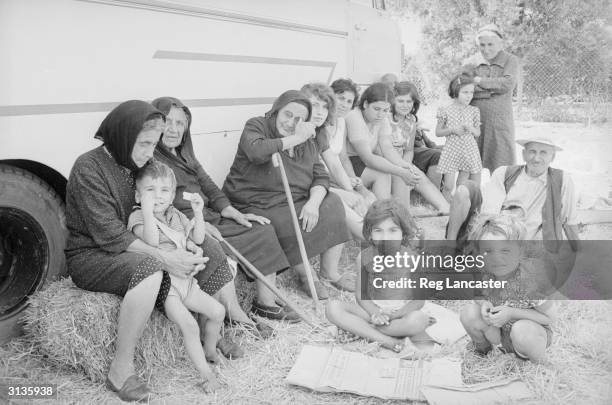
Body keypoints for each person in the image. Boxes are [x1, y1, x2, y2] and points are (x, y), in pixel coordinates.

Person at [65, 100, 209, 401]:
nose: (148, 152)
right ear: (121, 135)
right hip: (93, 254)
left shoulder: (135, 164)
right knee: (151, 269)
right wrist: (168, 258)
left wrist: (186, 243)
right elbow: (110, 234)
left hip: (132, 242)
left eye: (152, 144)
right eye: (143, 144)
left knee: (205, 250)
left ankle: (213, 329)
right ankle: (121, 369)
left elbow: (156, 208)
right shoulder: (88, 168)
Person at [151, 97, 297, 326]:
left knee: (261, 229)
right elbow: (161, 206)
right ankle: (235, 316)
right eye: (167, 122)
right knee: (217, 247)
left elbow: (208, 184)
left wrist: (231, 210)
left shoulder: (185, 154)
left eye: (180, 124)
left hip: (209, 215)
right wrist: (194, 222)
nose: (173, 129)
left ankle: (265, 303)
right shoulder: (153, 161)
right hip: (187, 223)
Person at [223, 90, 351, 302]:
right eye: (287, 115)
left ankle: (329, 271)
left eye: (299, 119)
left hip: (292, 198)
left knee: (333, 203)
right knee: (287, 219)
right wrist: (296, 137)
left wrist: (313, 202)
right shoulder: (257, 125)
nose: (291, 122)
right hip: (254, 202)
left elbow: (320, 176)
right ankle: (305, 275)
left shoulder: (307, 139)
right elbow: (256, 152)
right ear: (276, 111)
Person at [127, 161, 223, 393]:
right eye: (150, 191)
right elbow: (150, 240)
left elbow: (198, 239)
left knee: (218, 311)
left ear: (172, 196)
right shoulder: (138, 217)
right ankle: (206, 374)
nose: (157, 196)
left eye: (164, 191)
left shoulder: (176, 215)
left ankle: (209, 349)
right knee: (189, 325)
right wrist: (148, 212)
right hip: (165, 285)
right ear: (138, 196)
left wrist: (198, 214)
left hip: (186, 281)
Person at [326, 199, 434, 352]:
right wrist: (375, 314)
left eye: (393, 230)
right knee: (333, 308)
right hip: (371, 313)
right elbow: (361, 296)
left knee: (419, 320)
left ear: (403, 232)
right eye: (378, 230)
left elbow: (418, 302)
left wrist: (393, 316)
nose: (386, 237)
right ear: (370, 233)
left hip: (400, 315)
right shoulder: (363, 258)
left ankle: (362, 330)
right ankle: (387, 341)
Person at [446, 135, 579, 245]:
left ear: (552, 157)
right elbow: (490, 212)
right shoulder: (504, 173)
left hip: (528, 238)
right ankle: (449, 246)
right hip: (499, 229)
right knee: (464, 190)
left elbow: (569, 220)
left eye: (543, 153)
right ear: (523, 154)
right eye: (532, 151)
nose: (536, 158)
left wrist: (577, 249)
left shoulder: (562, 180)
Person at [460, 214, 556, 363]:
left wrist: (512, 313)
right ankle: (483, 351)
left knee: (521, 330)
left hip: (529, 333)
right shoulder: (483, 272)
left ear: (520, 251)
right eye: (488, 251)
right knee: (468, 313)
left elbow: (550, 318)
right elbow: (477, 294)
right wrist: (483, 304)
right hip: (499, 331)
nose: (496, 258)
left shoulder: (530, 281)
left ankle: (538, 364)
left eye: (505, 250)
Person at [344, 83, 449, 212]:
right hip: (352, 162)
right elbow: (368, 158)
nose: (381, 114)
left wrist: (404, 166)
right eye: (376, 109)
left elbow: (387, 148)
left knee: (406, 170)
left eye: (385, 110)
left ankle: (436, 211)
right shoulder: (355, 117)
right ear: (365, 104)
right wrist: (399, 171)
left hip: (369, 160)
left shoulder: (382, 118)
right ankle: (390, 216)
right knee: (393, 174)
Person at [301, 82, 375, 246]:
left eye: (325, 107)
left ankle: (378, 239)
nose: (320, 112)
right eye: (315, 106)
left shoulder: (318, 132)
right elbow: (301, 182)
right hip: (301, 193)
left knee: (357, 199)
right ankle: (378, 244)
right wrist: (342, 193)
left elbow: (335, 164)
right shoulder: (297, 134)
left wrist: (351, 191)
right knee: (337, 201)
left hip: (319, 186)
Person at [463, 24, 520, 172]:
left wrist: (479, 81)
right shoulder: (470, 62)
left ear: (500, 44)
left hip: (499, 120)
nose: (486, 49)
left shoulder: (510, 60)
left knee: (501, 163)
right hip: (474, 119)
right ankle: (471, 193)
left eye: (490, 44)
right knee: (471, 165)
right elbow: (463, 88)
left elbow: (507, 84)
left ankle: (502, 193)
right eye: (482, 45)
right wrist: (492, 91)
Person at [435, 73, 482, 197]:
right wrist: (452, 130)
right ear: (456, 91)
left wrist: (471, 128)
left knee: (461, 186)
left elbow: (478, 133)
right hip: (452, 151)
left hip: (468, 150)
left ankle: (457, 207)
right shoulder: (445, 111)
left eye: (471, 92)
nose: (469, 96)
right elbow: (438, 132)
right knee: (448, 185)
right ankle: (445, 205)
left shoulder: (474, 111)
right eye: (465, 92)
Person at [390, 81, 443, 188]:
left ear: (414, 103)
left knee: (440, 155)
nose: (405, 105)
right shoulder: (387, 118)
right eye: (400, 101)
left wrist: (407, 166)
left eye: (409, 101)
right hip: (389, 161)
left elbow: (409, 150)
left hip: (405, 159)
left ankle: (431, 198)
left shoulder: (411, 120)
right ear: (393, 101)